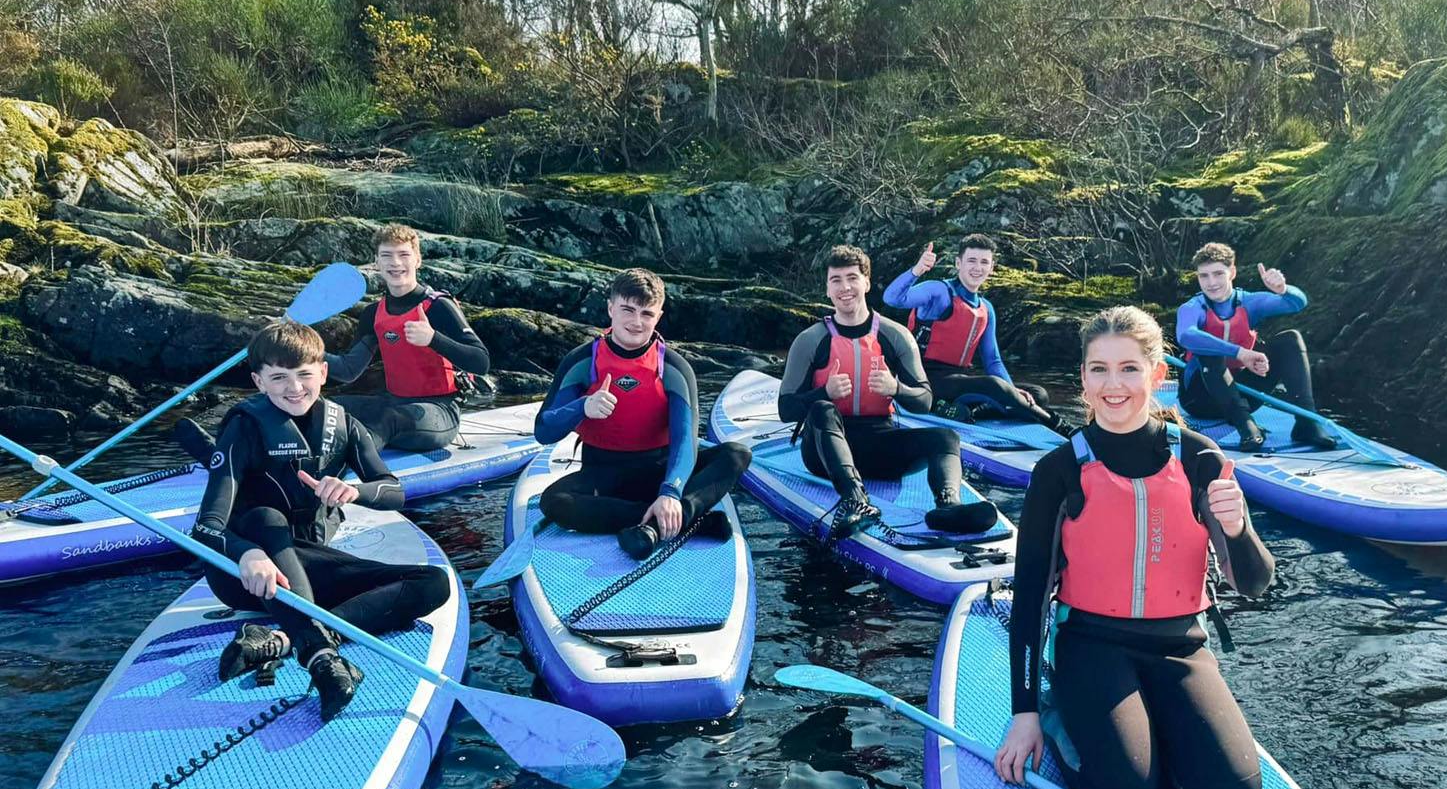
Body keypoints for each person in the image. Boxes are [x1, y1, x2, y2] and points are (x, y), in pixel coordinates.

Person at [994, 306, 1274, 789]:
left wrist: (1238, 530)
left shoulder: (1200, 460)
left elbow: (1256, 583)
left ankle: (1153, 731)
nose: (1113, 385)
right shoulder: (1058, 471)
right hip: (1091, 645)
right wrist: (1025, 713)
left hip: (1180, 647)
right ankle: (1061, 714)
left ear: (1157, 374)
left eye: (1128, 368)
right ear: (1083, 378)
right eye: (1099, 369)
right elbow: (1029, 594)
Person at [186, 321, 451, 721]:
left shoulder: (344, 424)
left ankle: (282, 639)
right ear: (259, 382)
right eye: (279, 377)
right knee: (265, 516)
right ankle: (321, 658)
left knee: (433, 582)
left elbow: (393, 491)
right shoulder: (243, 428)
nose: (294, 387)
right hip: (243, 575)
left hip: (305, 568)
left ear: (324, 373)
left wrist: (353, 491)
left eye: (304, 374)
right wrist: (246, 552)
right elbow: (206, 526)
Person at [778, 244, 999, 539]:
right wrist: (823, 392)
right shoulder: (810, 340)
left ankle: (949, 506)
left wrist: (896, 388)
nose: (845, 287)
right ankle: (856, 500)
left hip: (880, 447)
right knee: (821, 409)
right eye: (836, 280)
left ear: (867, 283)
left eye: (852, 278)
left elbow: (924, 400)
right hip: (823, 454)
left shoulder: (895, 335)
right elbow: (785, 409)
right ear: (827, 289)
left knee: (946, 437)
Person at [534, 268, 751, 560]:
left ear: (658, 317)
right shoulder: (583, 361)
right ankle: (683, 522)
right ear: (610, 308)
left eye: (647, 314)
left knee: (736, 454)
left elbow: (685, 441)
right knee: (553, 502)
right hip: (604, 476)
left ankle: (662, 522)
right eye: (628, 310)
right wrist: (582, 407)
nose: (637, 322)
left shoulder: (673, 368)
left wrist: (670, 492)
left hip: (659, 471)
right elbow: (543, 430)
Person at [323, 223, 491, 451]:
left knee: (390, 419)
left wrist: (433, 339)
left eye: (403, 254)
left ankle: (353, 465)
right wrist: (303, 351)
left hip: (438, 410)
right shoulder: (373, 313)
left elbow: (481, 362)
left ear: (417, 260)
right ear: (376, 262)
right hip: (394, 403)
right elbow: (348, 369)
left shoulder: (439, 306)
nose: (395, 262)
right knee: (323, 409)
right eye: (387, 255)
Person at [882, 234, 1072, 433]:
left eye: (984, 262)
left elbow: (993, 361)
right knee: (994, 386)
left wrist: (1012, 391)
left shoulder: (986, 308)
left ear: (991, 267)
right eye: (971, 261)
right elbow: (892, 298)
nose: (977, 268)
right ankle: (1060, 426)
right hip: (923, 378)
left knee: (1037, 394)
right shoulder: (939, 291)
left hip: (958, 379)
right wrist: (917, 271)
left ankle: (961, 410)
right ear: (958, 263)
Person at [1174, 242, 1335, 452]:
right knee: (1208, 350)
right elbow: (1186, 335)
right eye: (1204, 276)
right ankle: (1246, 427)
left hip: (1244, 395)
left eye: (1218, 274)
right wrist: (1240, 353)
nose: (1211, 283)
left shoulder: (1249, 302)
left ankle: (1307, 422)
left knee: (1290, 339)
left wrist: (1283, 290)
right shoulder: (1192, 307)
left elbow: (1297, 303)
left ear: (1232, 272)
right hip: (1200, 401)